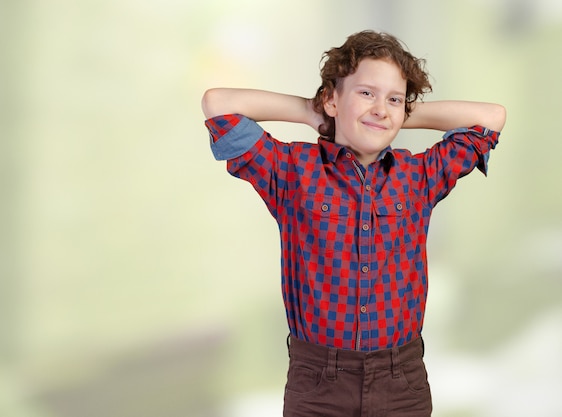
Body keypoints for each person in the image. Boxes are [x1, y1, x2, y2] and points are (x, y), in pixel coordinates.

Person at [201, 30, 506, 417]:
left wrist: (393, 116)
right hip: (318, 385)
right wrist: (314, 112)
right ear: (331, 98)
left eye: (394, 98)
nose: (380, 108)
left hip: (402, 382)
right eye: (365, 93)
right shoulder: (292, 171)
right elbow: (218, 105)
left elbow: (490, 118)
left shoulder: (419, 176)